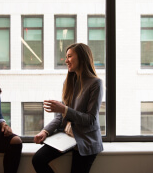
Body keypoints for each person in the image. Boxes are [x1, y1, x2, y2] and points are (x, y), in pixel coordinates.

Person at [32, 43, 104, 173]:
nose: (66, 61)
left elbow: (90, 119)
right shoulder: (69, 82)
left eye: (69, 56)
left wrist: (64, 110)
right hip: (68, 137)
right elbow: (61, 116)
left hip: (85, 140)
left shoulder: (96, 83)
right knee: (38, 159)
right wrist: (45, 132)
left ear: (82, 58)